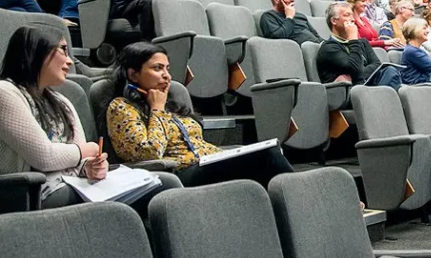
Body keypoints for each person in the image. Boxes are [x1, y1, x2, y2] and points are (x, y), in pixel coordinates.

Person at [0, 26, 179, 210]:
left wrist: (91, 166)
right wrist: (85, 151)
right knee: (154, 192)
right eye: (63, 49)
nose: (70, 60)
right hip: (29, 194)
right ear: (38, 50)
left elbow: (82, 159)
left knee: (164, 183)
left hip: (73, 185)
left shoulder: (61, 101)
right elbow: (45, 157)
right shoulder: (1, 93)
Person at [106, 42, 294, 187]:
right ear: (133, 75)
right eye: (157, 68)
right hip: (179, 172)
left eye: (167, 68)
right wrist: (156, 110)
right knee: (267, 157)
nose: (167, 75)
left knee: (269, 151)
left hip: (207, 162)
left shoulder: (171, 103)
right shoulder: (121, 107)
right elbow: (148, 153)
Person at [316, 1, 400, 88]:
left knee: (390, 72)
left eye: (352, 15)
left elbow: (376, 64)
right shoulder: (329, 48)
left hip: (366, 86)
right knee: (390, 75)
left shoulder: (362, 42)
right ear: (334, 21)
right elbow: (354, 67)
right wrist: (352, 38)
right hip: (349, 94)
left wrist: (357, 74)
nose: (352, 19)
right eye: (347, 15)